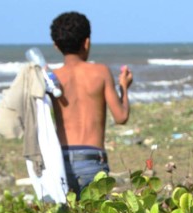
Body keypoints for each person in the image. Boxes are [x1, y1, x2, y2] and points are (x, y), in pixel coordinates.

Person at [49, 11, 133, 197]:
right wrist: (124, 89)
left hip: (61, 160)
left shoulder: (52, 77)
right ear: (86, 42)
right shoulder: (100, 72)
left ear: (56, 46)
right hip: (93, 160)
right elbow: (121, 117)